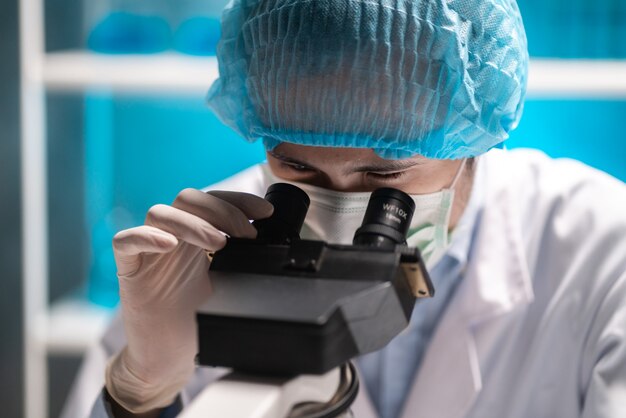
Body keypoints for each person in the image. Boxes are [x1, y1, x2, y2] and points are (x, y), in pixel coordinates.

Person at [62, 0, 626, 417]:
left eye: (385, 176)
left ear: (472, 139)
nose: (339, 209)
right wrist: (141, 391)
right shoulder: (206, 246)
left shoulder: (602, 250)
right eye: (297, 172)